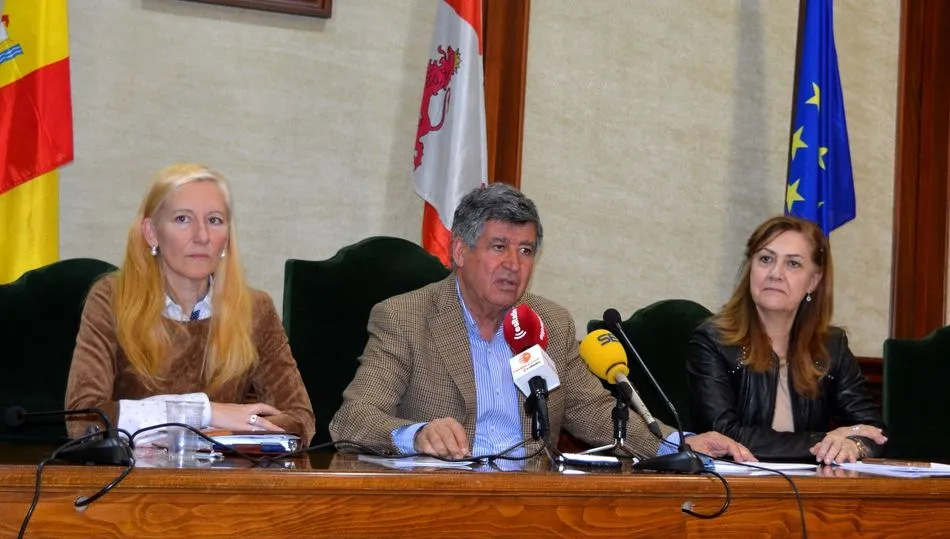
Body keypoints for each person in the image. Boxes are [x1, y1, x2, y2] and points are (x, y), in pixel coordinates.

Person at [330, 183, 753, 462]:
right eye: (499, 247)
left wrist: (677, 445)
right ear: (460, 251)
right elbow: (354, 420)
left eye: (527, 251)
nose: (514, 265)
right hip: (445, 504)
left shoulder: (548, 321)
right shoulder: (405, 317)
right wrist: (417, 435)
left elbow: (594, 410)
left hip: (536, 506)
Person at [66, 163, 315, 445]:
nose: (202, 236)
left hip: (226, 483)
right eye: (183, 219)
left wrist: (213, 437)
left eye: (215, 220)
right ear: (151, 232)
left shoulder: (254, 308)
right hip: (132, 484)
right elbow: (83, 419)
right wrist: (205, 414)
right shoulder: (112, 299)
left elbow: (299, 420)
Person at [686, 215, 887, 464]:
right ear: (751, 268)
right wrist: (827, 440)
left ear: (813, 281)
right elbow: (724, 434)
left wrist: (854, 445)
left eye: (792, 264)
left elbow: (873, 432)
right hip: (736, 492)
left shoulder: (831, 346)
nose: (775, 273)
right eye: (766, 259)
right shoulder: (713, 341)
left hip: (813, 491)